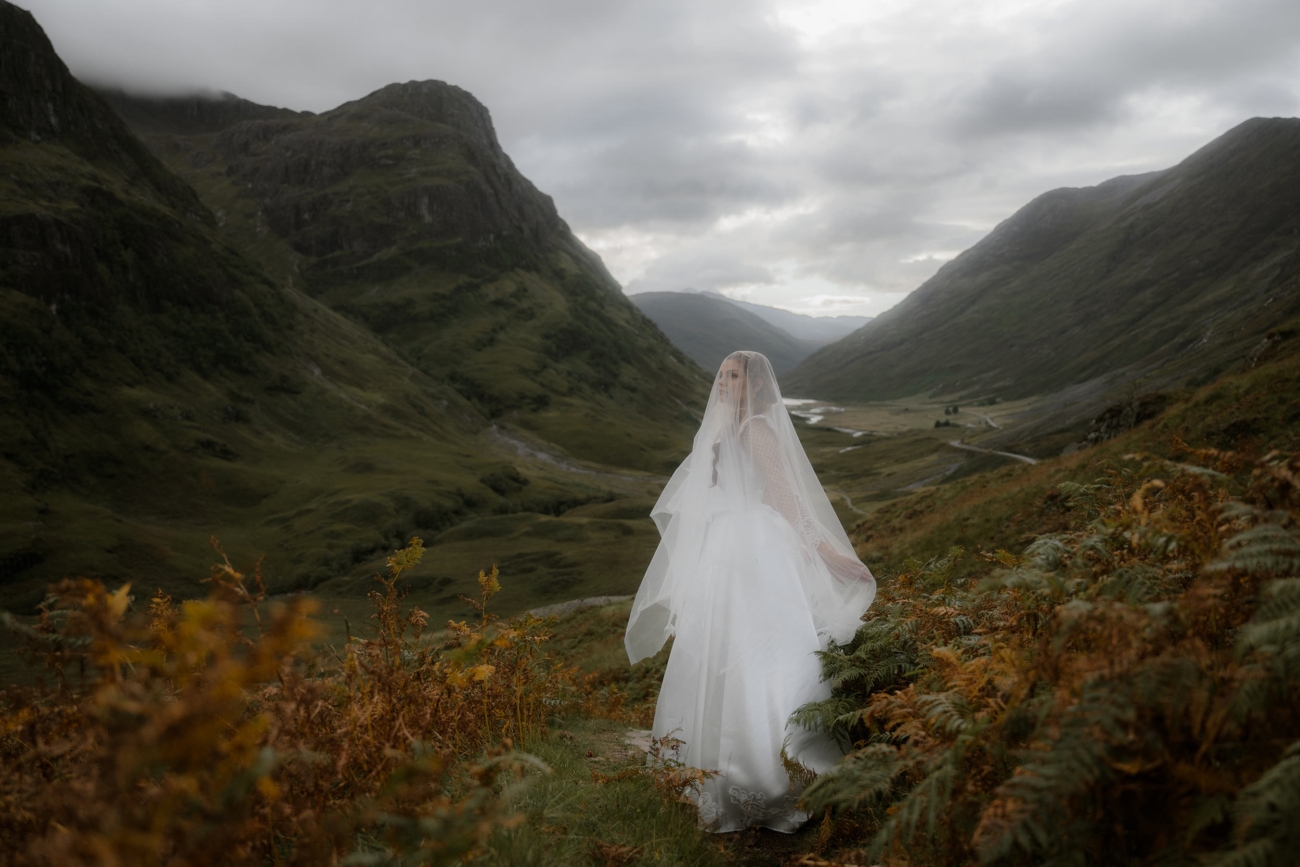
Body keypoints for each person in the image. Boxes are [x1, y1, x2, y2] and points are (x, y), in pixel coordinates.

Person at [625, 350, 876, 832]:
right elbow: (787, 502)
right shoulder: (752, 429)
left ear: (756, 384)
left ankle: (715, 771)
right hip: (753, 554)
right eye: (719, 373)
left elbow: (779, 499)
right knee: (767, 653)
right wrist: (828, 555)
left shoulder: (740, 430)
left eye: (733, 375)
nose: (722, 381)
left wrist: (826, 553)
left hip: (730, 553)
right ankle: (767, 775)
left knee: (732, 654)